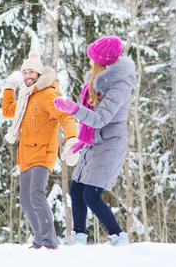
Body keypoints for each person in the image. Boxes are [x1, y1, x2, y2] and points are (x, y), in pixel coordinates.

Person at [53, 36, 137, 246]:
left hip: (110, 144)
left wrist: (73, 109)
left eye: (93, 58)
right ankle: (79, 239)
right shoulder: (100, 81)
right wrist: (82, 138)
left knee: (92, 194)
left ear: (103, 61)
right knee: (76, 190)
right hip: (95, 142)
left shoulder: (119, 86)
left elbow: (100, 119)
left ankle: (119, 237)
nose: (90, 61)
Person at [1, 40, 78, 250]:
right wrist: (9, 86)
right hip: (25, 155)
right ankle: (38, 240)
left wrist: (72, 139)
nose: (27, 76)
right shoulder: (26, 97)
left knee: (36, 194)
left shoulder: (47, 94)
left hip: (44, 152)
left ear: (38, 74)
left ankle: (49, 241)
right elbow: (8, 110)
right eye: (24, 72)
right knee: (26, 200)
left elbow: (66, 116)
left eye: (31, 73)